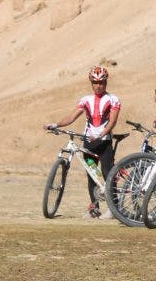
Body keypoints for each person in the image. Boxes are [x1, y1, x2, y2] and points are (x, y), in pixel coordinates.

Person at [43, 66, 120, 219]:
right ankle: (95, 208)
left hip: (104, 143)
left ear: (106, 82)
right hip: (89, 144)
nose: (98, 86)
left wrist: (100, 134)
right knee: (92, 175)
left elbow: (112, 122)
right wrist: (56, 124)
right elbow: (71, 117)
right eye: (95, 82)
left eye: (101, 82)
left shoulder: (113, 99)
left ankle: (114, 208)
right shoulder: (86, 100)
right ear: (91, 83)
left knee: (107, 174)